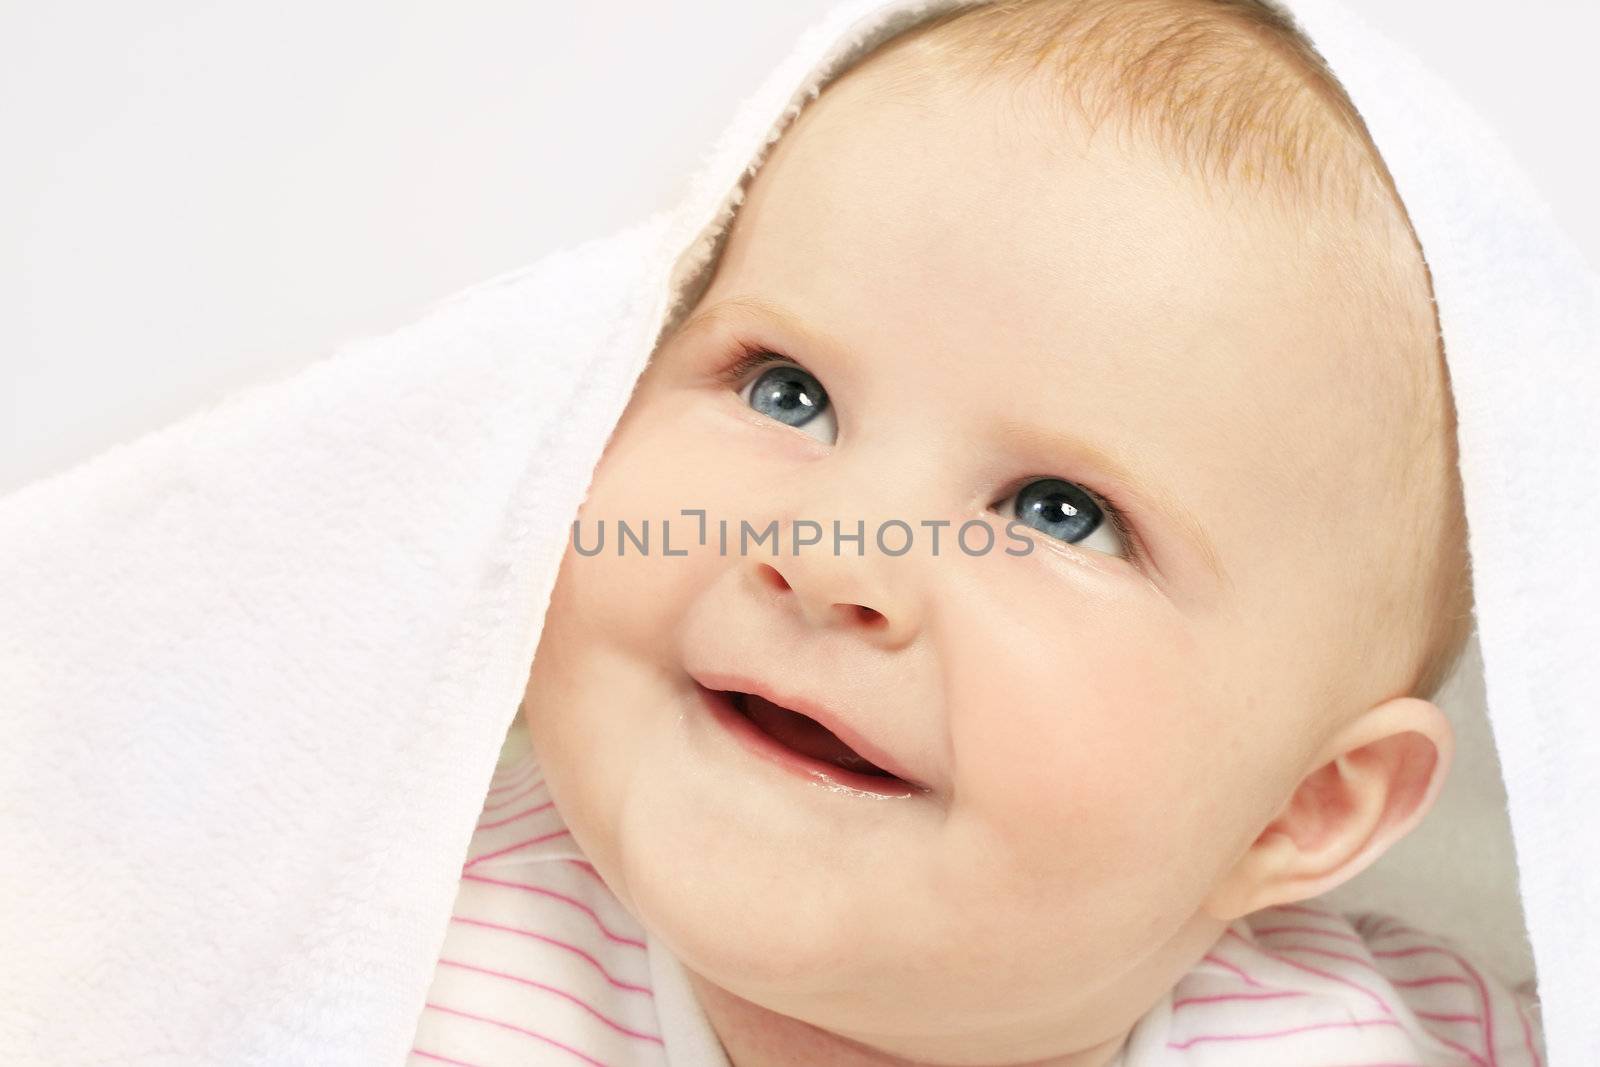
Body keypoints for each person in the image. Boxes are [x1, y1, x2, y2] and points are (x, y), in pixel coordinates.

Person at [408, 1, 1542, 1064]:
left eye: (1061, 511)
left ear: (1301, 805)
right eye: (784, 390)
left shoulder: (1400, 1041)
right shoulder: (383, 959)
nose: (828, 555)